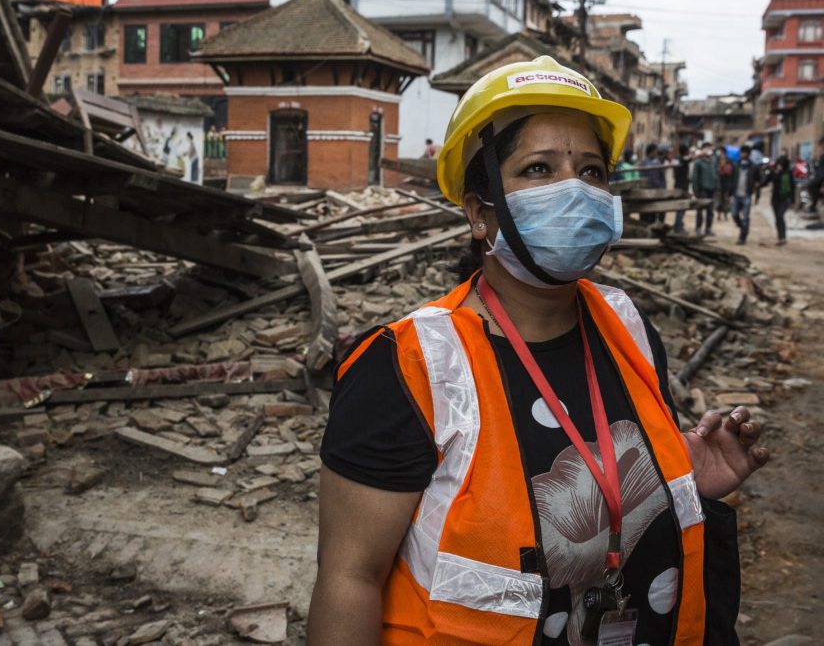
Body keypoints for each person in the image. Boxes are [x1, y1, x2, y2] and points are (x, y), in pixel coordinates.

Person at [308, 56, 768, 646]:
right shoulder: (410, 367)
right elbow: (349, 578)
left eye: (592, 171)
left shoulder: (626, 323)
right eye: (539, 168)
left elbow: (605, 486)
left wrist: (685, 475)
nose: (574, 190)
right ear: (480, 212)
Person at [731, 145, 761, 246]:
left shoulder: (754, 167)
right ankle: (743, 227)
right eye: (741, 152)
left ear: (748, 154)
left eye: (744, 152)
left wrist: (757, 196)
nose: (742, 154)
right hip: (736, 194)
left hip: (746, 195)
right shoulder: (736, 165)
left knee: (746, 217)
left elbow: (758, 183)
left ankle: (742, 237)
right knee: (734, 214)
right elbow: (731, 179)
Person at [764, 155, 796, 246]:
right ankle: (780, 238)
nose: (779, 166)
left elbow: (792, 187)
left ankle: (783, 237)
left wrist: (793, 201)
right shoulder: (774, 173)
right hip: (775, 199)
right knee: (777, 218)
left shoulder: (789, 173)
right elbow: (767, 181)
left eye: (781, 164)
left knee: (780, 216)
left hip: (785, 199)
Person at [692, 142, 720, 236]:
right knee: (700, 210)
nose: (709, 150)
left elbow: (716, 174)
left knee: (710, 211)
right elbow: (694, 177)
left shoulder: (714, 161)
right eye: (707, 148)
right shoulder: (698, 162)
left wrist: (717, 187)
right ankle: (698, 228)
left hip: (712, 189)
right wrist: (695, 190)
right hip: (702, 189)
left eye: (710, 148)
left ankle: (708, 229)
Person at [672, 143, 692, 234]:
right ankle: (678, 226)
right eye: (688, 151)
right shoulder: (683, 159)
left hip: (679, 186)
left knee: (680, 207)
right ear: (685, 151)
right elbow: (690, 158)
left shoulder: (677, 159)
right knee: (681, 207)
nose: (689, 152)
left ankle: (678, 225)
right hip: (682, 187)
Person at [715, 147, 734, 220]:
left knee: (726, 200)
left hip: (727, 184)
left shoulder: (729, 162)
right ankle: (719, 215)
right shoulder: (716, 161)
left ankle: (725, 214)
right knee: (719, 200)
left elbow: (731, 173)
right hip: (719, 184)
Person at [807, 137, 824, 214]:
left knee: (811, 185)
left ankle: (816, 202)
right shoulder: (822, 155)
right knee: (810, 185)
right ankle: (813, 206)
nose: (821, 147)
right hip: (819, 176)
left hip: (821, 178)